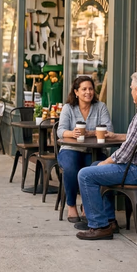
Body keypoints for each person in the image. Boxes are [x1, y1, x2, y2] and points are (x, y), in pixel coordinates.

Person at [75, 71, 137, 241]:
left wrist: (106, 162)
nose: (131, 92)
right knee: (94, 167)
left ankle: (99, 226)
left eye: (131, 88)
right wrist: (116, 136)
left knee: (85, 174)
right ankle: (109, 220)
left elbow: (127, 151)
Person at [56, 76, 113, 223]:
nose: (88, 92)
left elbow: (109, 129)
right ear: (76, 92)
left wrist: (89, 133)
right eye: (84, 89)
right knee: (70, 167)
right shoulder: (68, 108)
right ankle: (71, 205)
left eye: (91, 89)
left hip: (92, 150)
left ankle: (88, 206)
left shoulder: (100, 107)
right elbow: (60, 130)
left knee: (97, 168)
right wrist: (72, 133)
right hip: (70, 148)